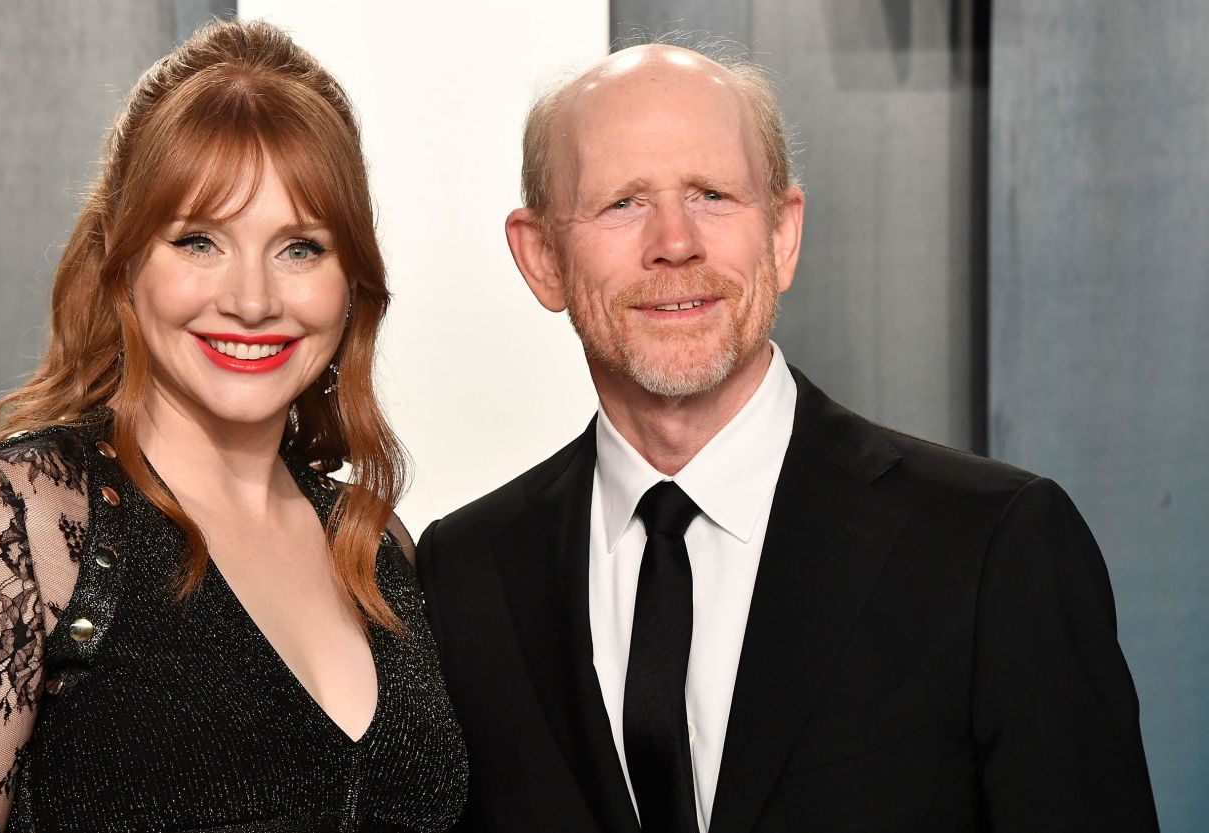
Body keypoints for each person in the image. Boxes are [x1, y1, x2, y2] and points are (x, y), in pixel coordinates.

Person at [415, 43, 1158, 832]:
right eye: (623, 202)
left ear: (782, 234)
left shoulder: (992, 548)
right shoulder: (466, 576)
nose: (675, 241)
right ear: (541, 257)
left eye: (712, 194)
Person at [0, 19, 466, 833]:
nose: (251, 300)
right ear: (124, 260)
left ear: (352, 280)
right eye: (200, 241)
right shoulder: (28, 521)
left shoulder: (376, 546)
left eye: (300, 248)